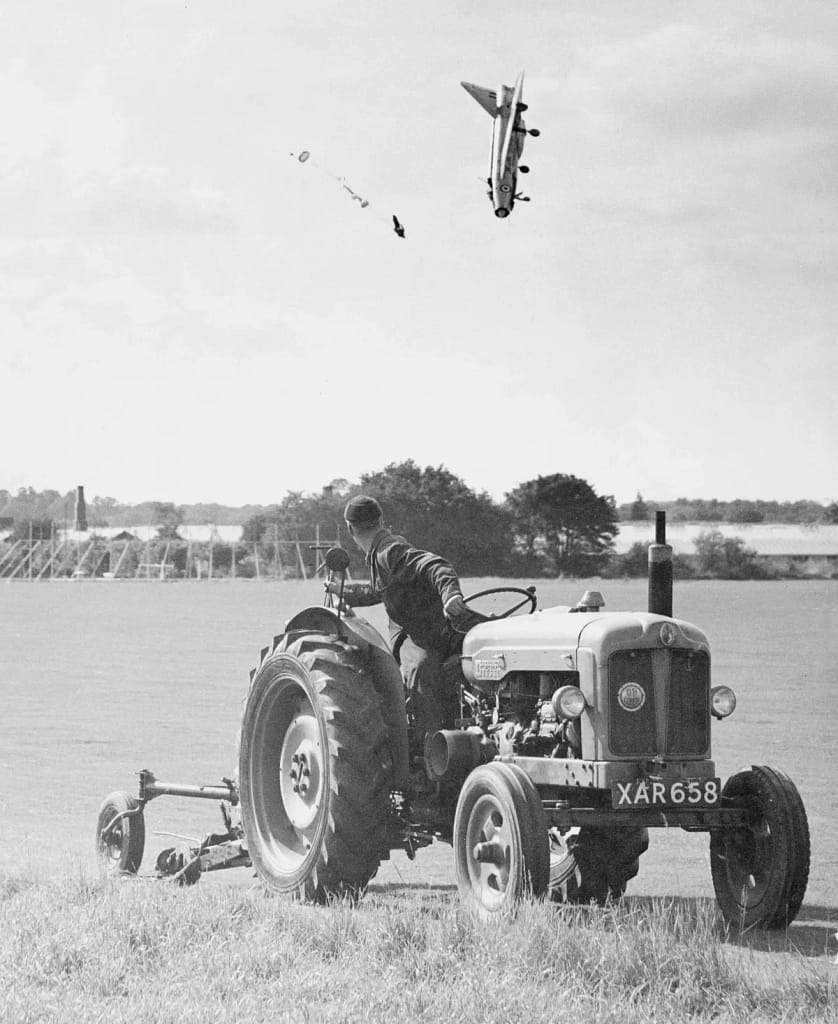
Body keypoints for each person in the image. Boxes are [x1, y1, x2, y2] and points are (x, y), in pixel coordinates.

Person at [335, 495, 480, 757]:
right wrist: (345, 593)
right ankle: (428, 755)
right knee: (421, 667)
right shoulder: (380, 552)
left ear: (350, 529)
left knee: (421, 669)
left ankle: (433, 755)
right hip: (428, 632)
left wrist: (450, 594)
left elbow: (435, 565)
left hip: (427, 633)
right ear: (380, 521)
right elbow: (380, 590)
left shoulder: (389, 551)